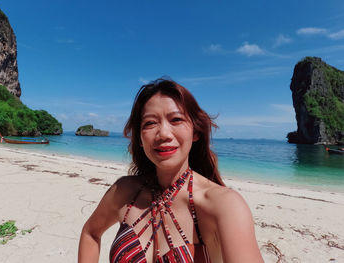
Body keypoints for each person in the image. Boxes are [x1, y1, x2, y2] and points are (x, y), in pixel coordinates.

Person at [78, 78, 263, 262]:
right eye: (150, 123)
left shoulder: (223, 205)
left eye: (176, 119)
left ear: (196, 132)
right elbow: (90, 234)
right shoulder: (125, 191)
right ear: (140, 139)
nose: (164, 134)